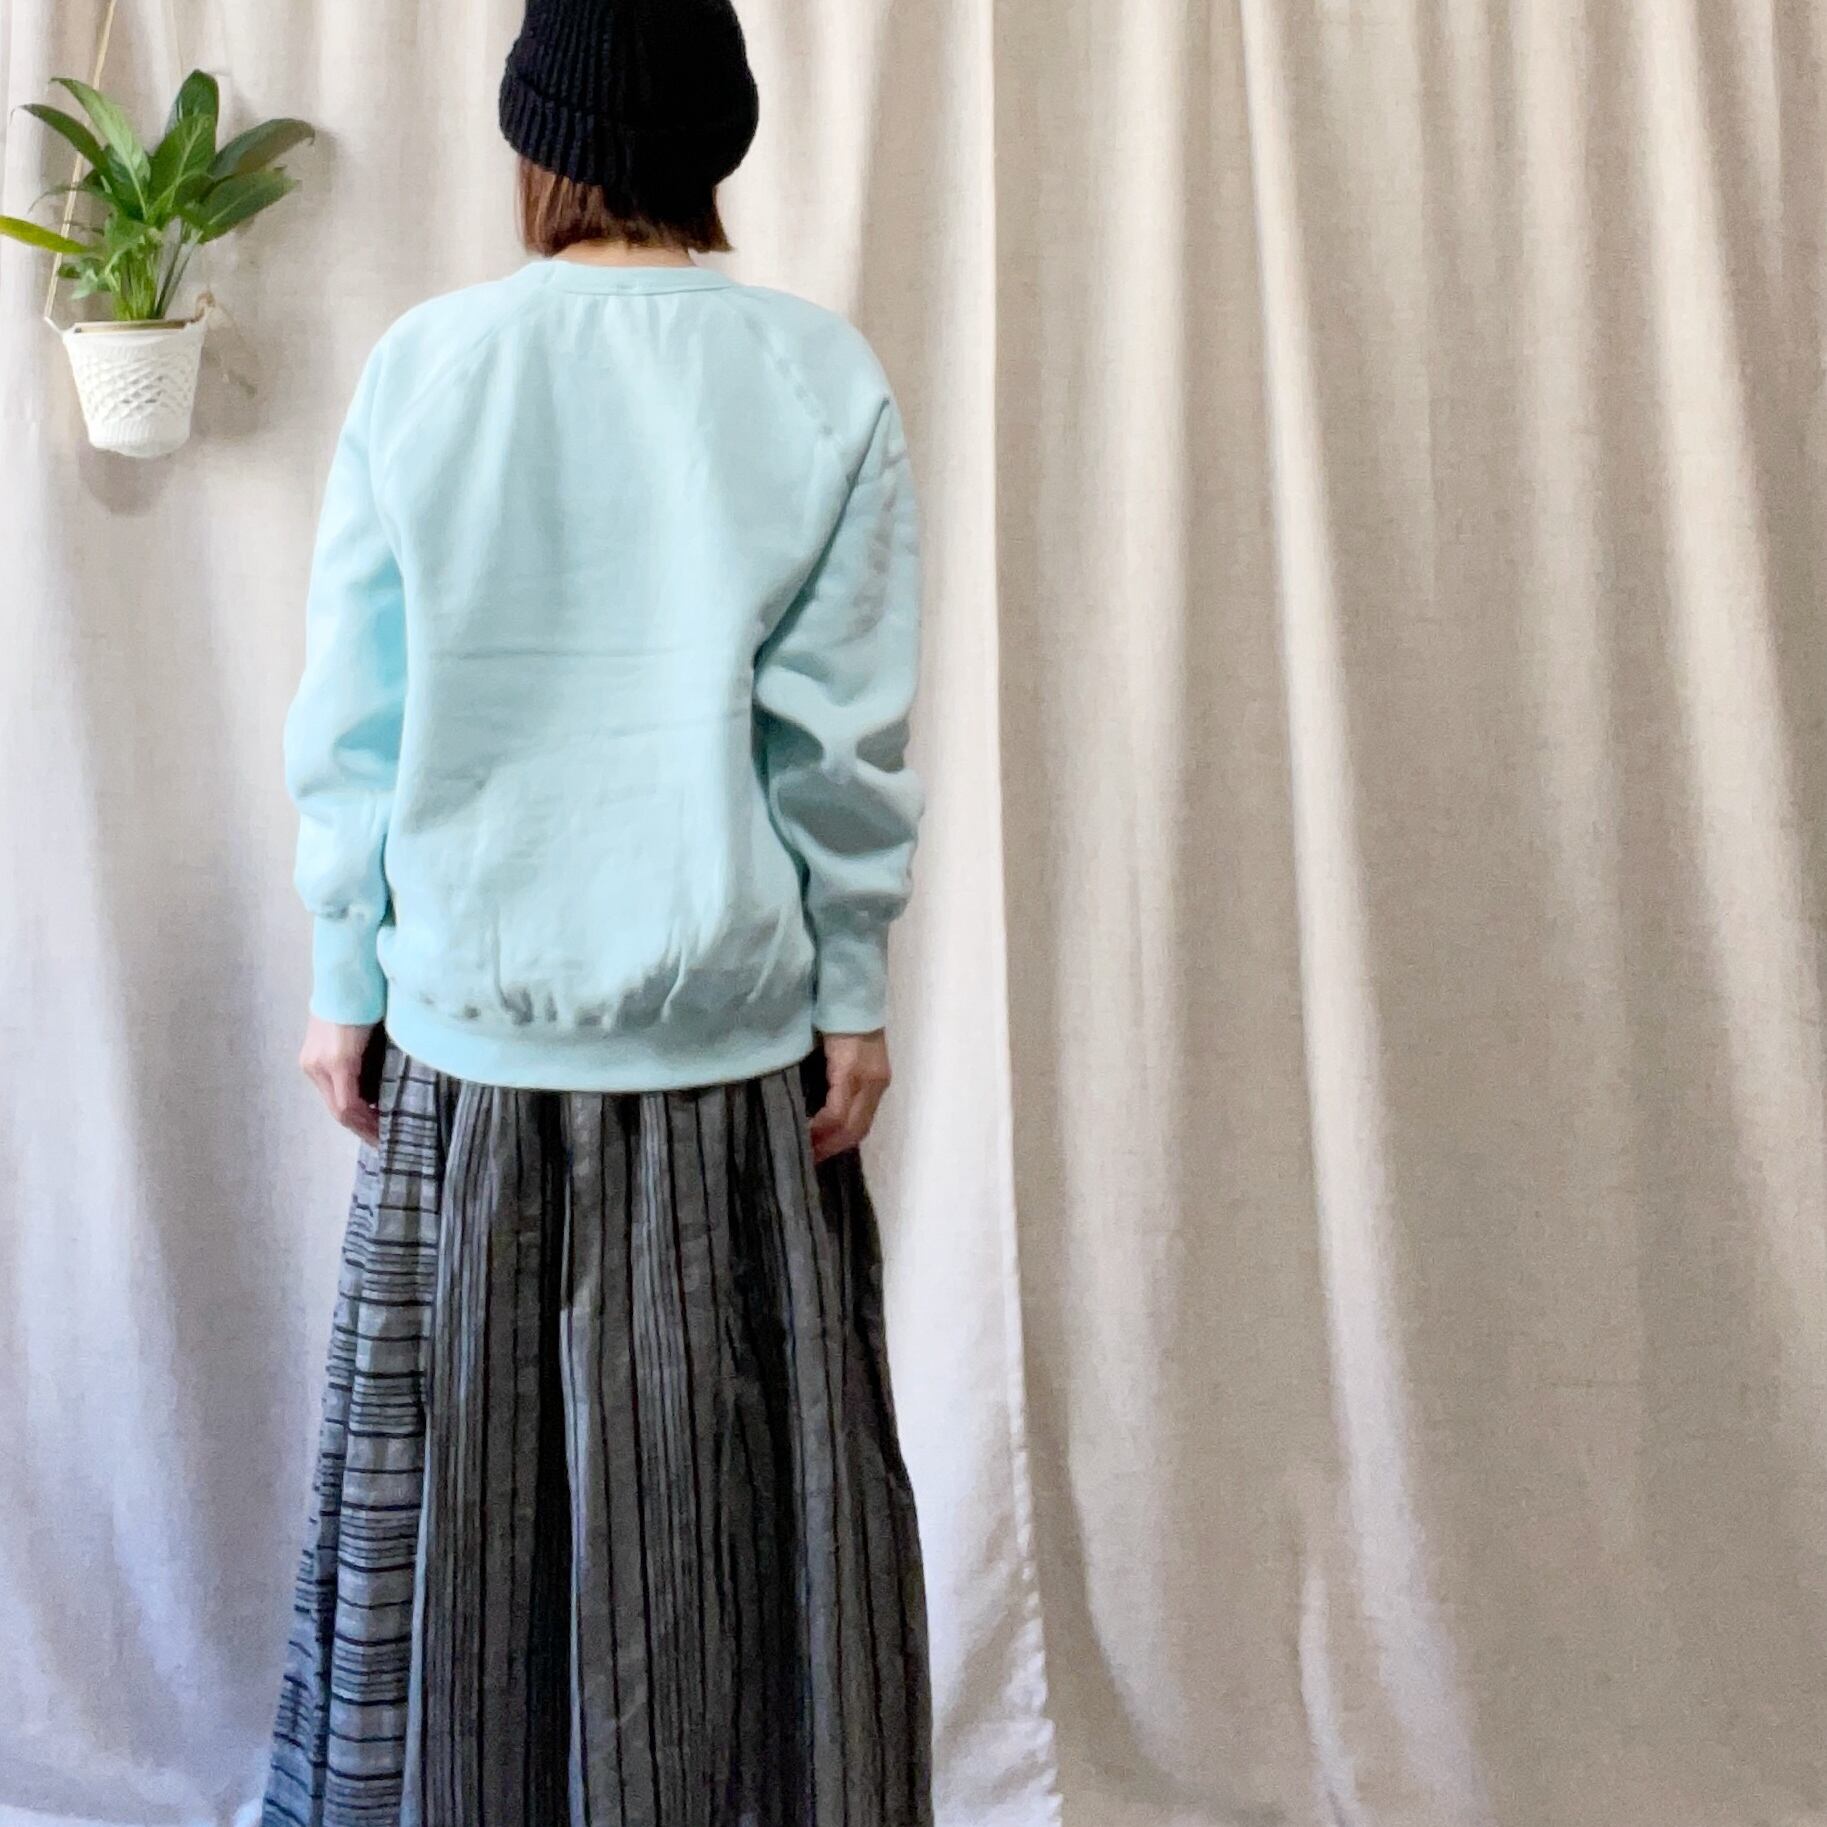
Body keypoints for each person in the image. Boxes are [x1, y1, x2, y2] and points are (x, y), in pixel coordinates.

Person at [260, 0, 931, 1820]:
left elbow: (356, 720)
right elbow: (839, 747)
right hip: (729, 1066)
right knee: (722, 1546)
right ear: (724, 140)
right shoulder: (820, 377)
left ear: (531, 140)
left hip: (466, 1054)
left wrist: (340, 977)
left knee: (452, 1544)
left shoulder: (429, 366)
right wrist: (852, 991)